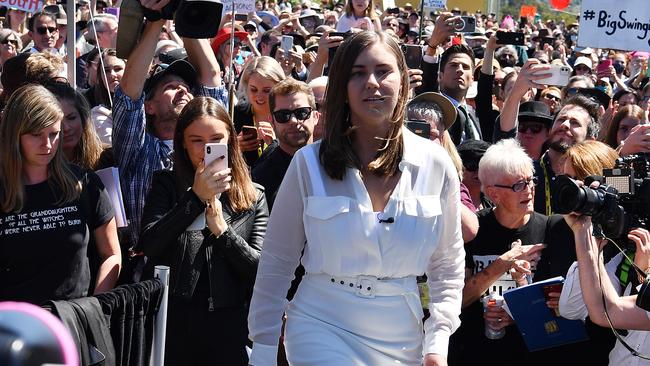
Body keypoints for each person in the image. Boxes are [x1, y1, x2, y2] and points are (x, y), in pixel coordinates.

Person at [248, 31, 464, 366]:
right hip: (319, 325)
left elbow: (447, 266)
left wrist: (438, 340)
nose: (372, 83)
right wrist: (262, 346)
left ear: (404, 81)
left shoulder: (436, 165)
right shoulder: (308, 165)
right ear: (342, 87)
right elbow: (277, 260)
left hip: (404, 337)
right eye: (357, 73)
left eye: (383, 71)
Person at [139, 97, 268, 365]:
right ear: (182, 143)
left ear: (231, 140)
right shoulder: (166, 185)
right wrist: (195, 198)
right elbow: (149, 245)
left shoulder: (253, 195)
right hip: (175, 325)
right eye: (196, 139)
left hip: (229, 327)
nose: (207, 148)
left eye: (216, 138)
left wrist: (223, 232)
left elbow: (260, 270)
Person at [449, 138, 580, 365]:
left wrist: (518, 313)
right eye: (518, 185)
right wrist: (502, 264)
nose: (528, 190)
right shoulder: (473, 230)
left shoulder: (552, 229)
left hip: (531, 355)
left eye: (531, 181)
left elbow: (562, 306)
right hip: (476, 352)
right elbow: (456, 301)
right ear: (493, 193)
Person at [112, 18, 228, 264]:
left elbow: (212, 76)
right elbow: (128, 94)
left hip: (208, 268)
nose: (183, 91)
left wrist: (186, 15)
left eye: (187, 87)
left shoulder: (211, 144)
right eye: (171, 86)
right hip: (152, 268)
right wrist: (155, 22)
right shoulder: (139, 150)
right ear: (149, 106)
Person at [0, 84, 121, 305]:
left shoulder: (85, 183)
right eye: (36, 135)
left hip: (73, 321)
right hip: (12, 325)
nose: (47, 144)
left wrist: (96, 308)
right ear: (14, 134)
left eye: (54, 134)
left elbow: (112, 254)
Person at [252, 78, 318, 211]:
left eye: (302, 113)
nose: (293, 121)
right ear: (272, 121)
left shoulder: (335, 164)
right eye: (283, 115)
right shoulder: (259, 178)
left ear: (316, 117)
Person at [534, 94, 601, 215]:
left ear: (590, 139)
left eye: (574, 122)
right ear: (550, 130)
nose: (564, 124)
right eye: (561, 119)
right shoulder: (527, 172)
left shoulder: (596, 183)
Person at [234, 56, 284, 166]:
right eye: (254, 89)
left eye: (267, 90)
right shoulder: (236, 114)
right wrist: (235, 147)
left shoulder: (287, 116)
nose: (259, 96)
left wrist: (275, 144)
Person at [44, 81, 105, 171]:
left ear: (83, 118)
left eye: (71, 118)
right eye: (56, 122)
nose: (66, 128)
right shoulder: (39, 172)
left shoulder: (104, 159)